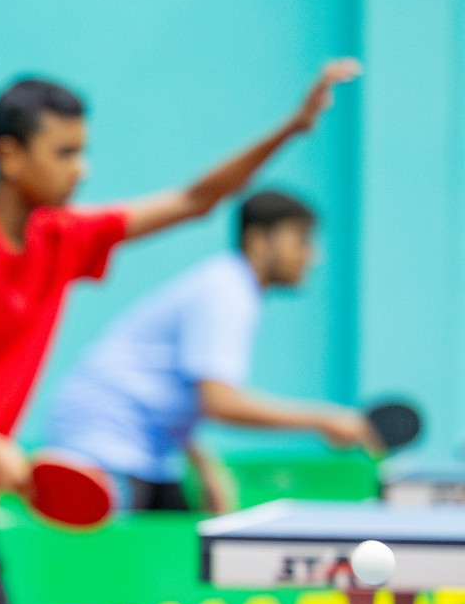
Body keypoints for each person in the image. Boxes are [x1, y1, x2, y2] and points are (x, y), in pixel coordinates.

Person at [0, 60, 359, 604]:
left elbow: (195, 200)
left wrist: (292, 129)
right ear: (11, 156)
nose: (81, 170)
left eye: (82, 151)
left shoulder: (62, 238)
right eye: (64, 153)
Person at [46, 190, 377, 513]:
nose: (314, 256)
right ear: (259, 241)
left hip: (147, 448)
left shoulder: (230, 286)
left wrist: (204, 464)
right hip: (102, 446)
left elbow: (173, 390)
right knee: (113, 562)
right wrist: (323, 419)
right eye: (301, 241)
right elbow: (219, 403)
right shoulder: (226, 292)